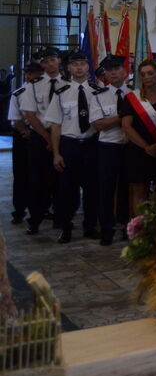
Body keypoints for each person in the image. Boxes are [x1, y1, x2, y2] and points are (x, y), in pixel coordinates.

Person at [45, 50, 100, 243]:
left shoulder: (97, 91)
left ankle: (90, 226)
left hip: (91, 144)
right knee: (67, 189)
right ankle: (66, 228)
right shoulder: (61, 93)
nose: (79, 68)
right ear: (68, 68)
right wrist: (56, 153)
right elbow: (55, 125)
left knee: (92, 188)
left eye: (82, 64)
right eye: (74, 65)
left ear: (88, 67)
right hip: (69, 145)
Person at [18, 47, 65, 235]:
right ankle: (35, 220)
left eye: (52, 60)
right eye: (45, 62)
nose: (49, 64)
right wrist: (47, 137)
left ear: (59, 61)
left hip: (62, 135)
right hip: (40, 136)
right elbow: (29, 113)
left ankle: (61, 217)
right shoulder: (34, 85)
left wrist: (55, 140)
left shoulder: (68, 83)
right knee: (37, 181)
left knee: (61, 181)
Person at [89, 55, 131, 246]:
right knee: (106, 190)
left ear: (124, 71)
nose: (114, 72)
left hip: (129, 147)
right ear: (105, 74)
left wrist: (114, 120)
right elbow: (99, 125)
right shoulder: (98, 96)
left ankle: (126, 227)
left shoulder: (134, 93)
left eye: (117, 69)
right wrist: (122, 116)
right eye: (110, 70)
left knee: (126, 188)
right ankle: (106, 229)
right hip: (108, 148)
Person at [120, 59, 156, 217]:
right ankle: (140, 231)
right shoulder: (131, 98)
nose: (147, 77)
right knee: (139, 190)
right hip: (138, 150)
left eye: (150, 73)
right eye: (143, 74)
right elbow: (127, 126)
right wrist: (147, 147)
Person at [7, 62, 43, 225]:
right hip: (23, 136)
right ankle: (19, 210)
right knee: (21, 175)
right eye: (27, 74)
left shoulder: (45, 91)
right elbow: (16, 118)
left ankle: (42, 207)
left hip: (40, 135)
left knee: (39, 175)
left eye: (32, 74)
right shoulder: (18, 93)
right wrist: (25, 132)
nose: (29, 77)